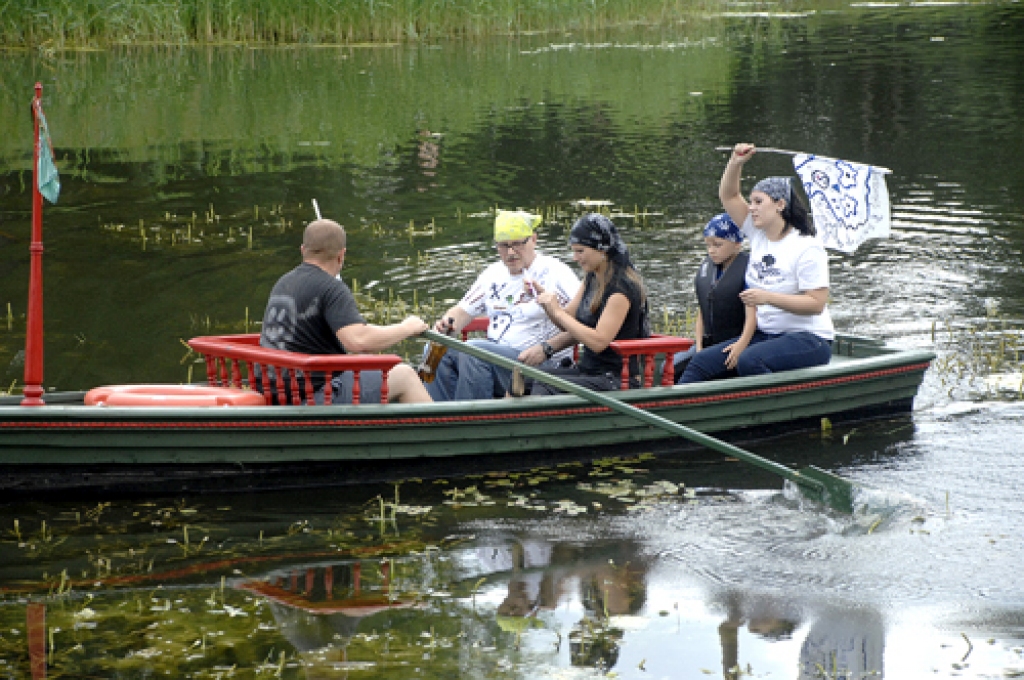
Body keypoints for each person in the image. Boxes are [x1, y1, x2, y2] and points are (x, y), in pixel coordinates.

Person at [678, 143, 834, 384]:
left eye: (758, 202)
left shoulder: (807, 247)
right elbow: (728, 195)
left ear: (780, 204)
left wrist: (768, 298)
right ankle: (683, 414)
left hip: (809, 339)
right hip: (766, 336)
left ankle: (773, 416)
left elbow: (816, 304)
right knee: (701, 363)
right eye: (750, 201)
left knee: (750, 360)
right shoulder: (757, 234)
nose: (751, 208)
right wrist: (735, 162)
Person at [260, 219, 431, 404]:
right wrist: (407, 327)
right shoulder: (332, 288)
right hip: (311, 396)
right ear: (341, 256)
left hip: (275, 391)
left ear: (303, 250)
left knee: (367, 363)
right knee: (404, 375)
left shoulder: (283, 282)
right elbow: (358, 341)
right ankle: (441, 431)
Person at [425, 209, 580, 401]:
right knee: (434, 347)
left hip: (539, 365)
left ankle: (474, 422)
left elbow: (584, 324)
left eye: (517, 244)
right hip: (496, 357)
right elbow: (461, 311)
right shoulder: (493, 274)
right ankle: (437, 414)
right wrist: (446, 325)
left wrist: (548, 347)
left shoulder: (556, 273)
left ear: (533, 239)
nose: (511, 253)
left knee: (475, 353)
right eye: (503, 246)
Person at [527, 213, 649, 395]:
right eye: (574, 251)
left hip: (614, 377)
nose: (575, 257)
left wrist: (558, 312)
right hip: (590, 371)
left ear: (601, 250)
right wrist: (546, 302)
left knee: (544, 386)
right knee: (526, 377)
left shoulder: (621, 290)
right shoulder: (592, 278)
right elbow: (565, 322)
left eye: (580, 251)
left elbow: (599, 341)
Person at [672, 213, 757, 380]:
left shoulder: (748, 270)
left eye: (718, 245)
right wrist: (699, 346)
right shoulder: (709, 269)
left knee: (696, 370)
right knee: (670, 367)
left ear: (737, 244)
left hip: (735, 341)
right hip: (710, 342)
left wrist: (741, 345)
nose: (711, 250)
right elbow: (702, 312)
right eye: (708, 245)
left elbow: (752, 315)